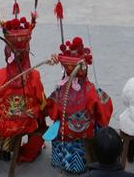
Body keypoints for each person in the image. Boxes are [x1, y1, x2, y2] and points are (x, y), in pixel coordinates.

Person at [47, 36, 114, 174]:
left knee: (59, 124)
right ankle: (84, 160)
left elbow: (52, 111)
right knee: (97, 121)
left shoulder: (60, 92)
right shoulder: (93, 91)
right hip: (86, 134)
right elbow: (105, 114)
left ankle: (62, 160)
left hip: (65, 135)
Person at [0, 12, 46, 163]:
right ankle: (30, 151)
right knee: (40, 117)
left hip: (5, 123)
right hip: (28, 123)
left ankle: (6, 147)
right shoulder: (35, 76)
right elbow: (41, 103)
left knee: (1, 113)